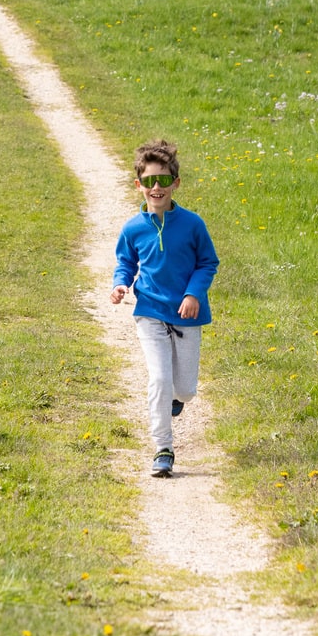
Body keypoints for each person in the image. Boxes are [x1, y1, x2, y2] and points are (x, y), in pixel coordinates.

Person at [110, 139, 219, 477]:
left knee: (184, 389)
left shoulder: (193, 224)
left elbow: (207, 263)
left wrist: (193, 294)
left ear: (176, 183)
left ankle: (176, 398)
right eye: (148, 181)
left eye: (163, 180)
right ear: (138, 185)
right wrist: (120, 283)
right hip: (151, 313)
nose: (155, 187)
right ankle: (163, 448)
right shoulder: (133, 228)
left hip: (188, 315)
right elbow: (125, 262)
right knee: (158, 378)